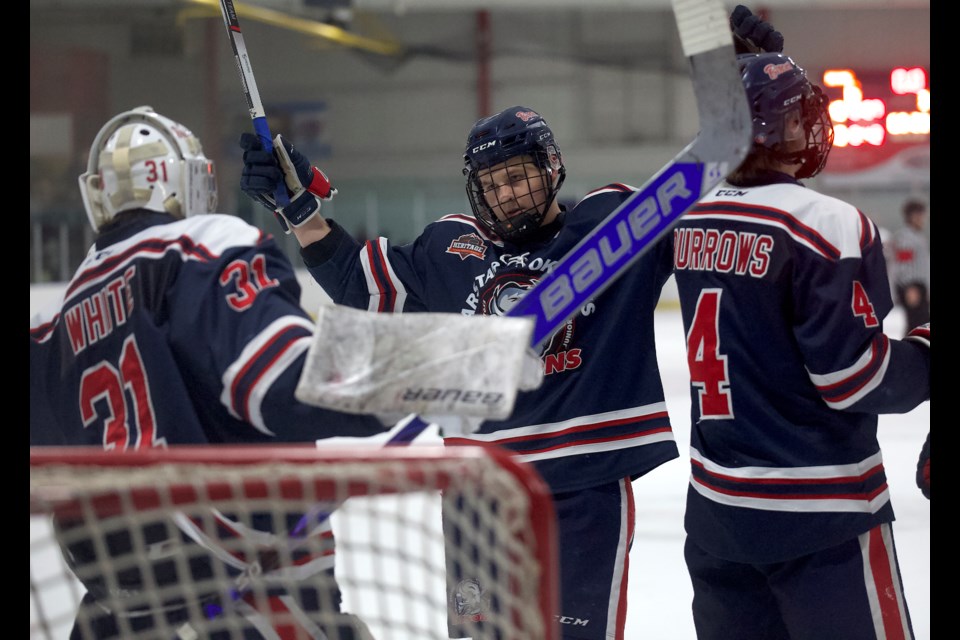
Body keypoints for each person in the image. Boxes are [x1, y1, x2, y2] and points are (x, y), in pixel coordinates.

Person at [235, 10, 785, 638]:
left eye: (520, 176)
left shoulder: (610, 224)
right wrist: (300, 208)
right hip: (478, 494)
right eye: (493, 184)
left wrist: (746, 88)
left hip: (584, 487)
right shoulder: (449, 247)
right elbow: (355, 280)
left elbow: (715, 205)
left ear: (552, 169)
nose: (507, 195)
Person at [29, 106, 388, 640]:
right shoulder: (201, 248)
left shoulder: (59, 323)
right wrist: (443, 367)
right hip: (247, 602)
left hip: (116, 617)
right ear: (188, 182)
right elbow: (289, 382)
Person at [669, 52, 931, 639]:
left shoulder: (687, 215)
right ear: (781, 127)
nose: (809, 127)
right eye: (798, 116)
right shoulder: (827, 223)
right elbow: (854, 379)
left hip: (716, 516)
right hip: (822, 517)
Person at [888, 198, 931, 334]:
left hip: (920, 286)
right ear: (913, 216)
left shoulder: (918, 236)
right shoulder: (906, 238)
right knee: (916, 325)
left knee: (921, 324)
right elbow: (904, 264)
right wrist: (909, 287)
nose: (923, 219)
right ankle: (912, 352)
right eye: (921, 215)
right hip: (912, 287)